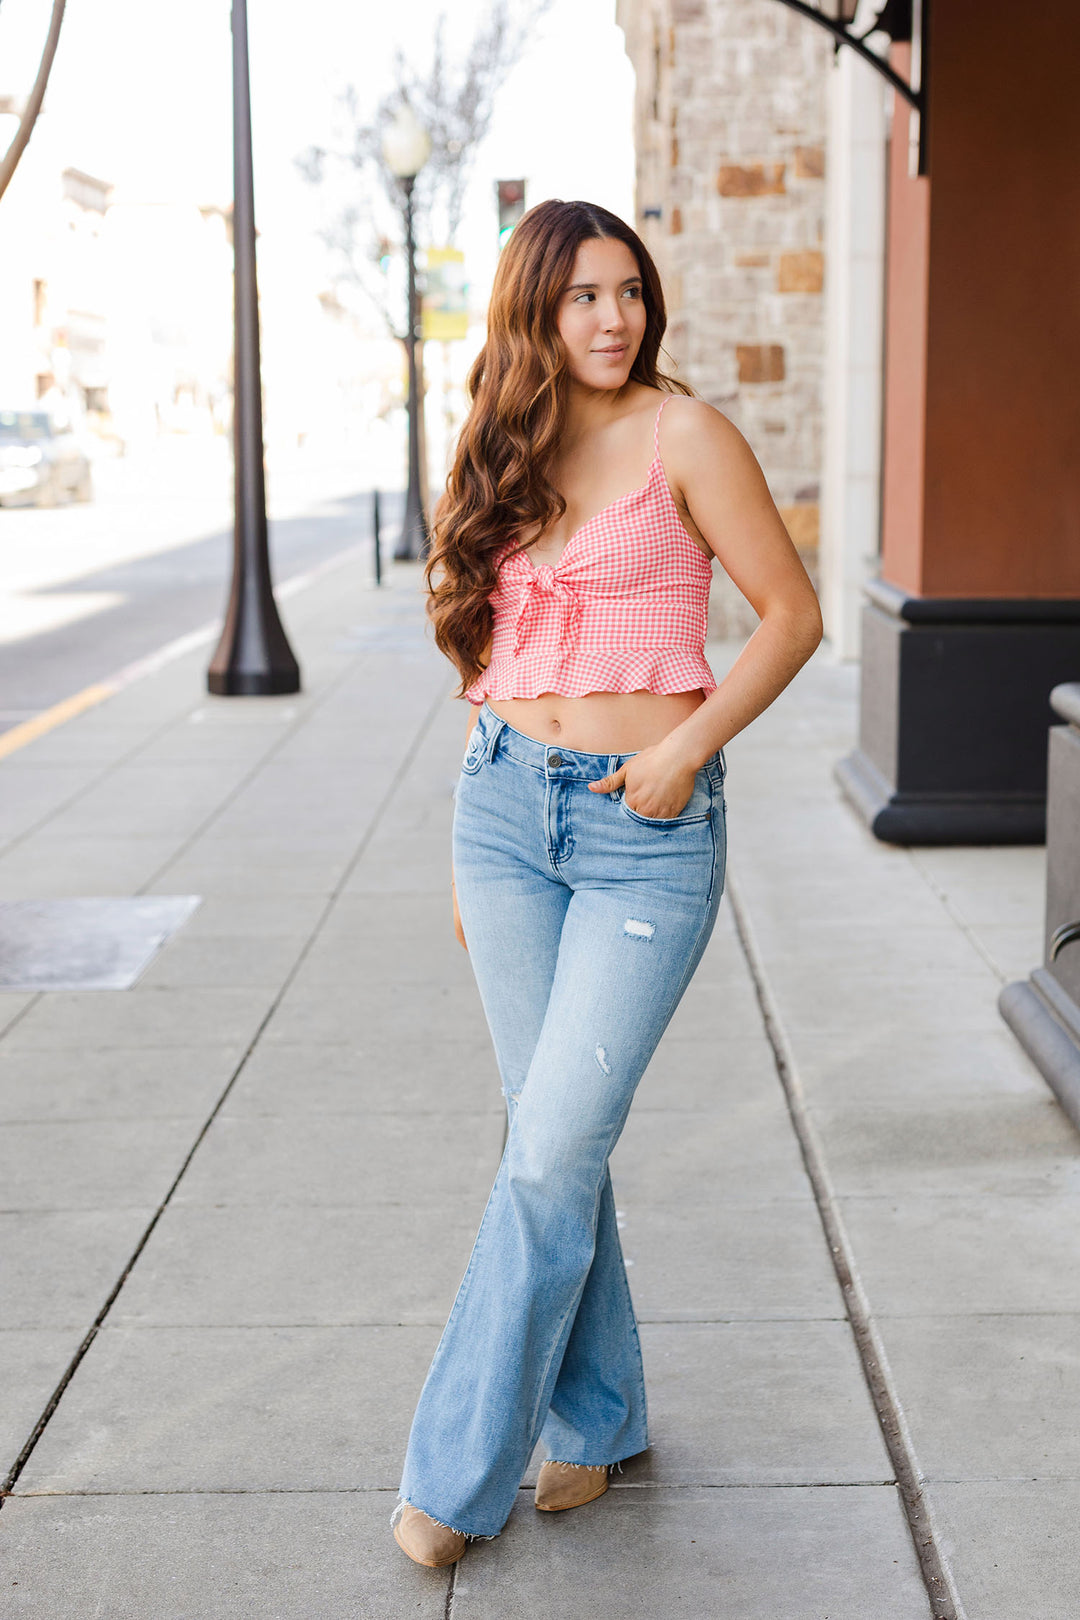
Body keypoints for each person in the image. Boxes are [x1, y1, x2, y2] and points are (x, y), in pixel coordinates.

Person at [392, 198, 822, 1568]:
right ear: (536, 309)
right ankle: (604, 1414)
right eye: (583, 295)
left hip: (647, 827)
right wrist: (467, 846)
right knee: (553, 1138)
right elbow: (488, 648)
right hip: (505, 815)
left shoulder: (685, 434)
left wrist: (688, 747)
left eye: (630, 291)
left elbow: (792, 615)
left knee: (548, 1151)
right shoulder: (500, 449)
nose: (616, 318)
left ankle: (456, 1478)